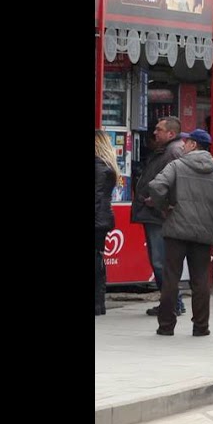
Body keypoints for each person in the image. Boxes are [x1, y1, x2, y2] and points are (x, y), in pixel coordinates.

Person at [144, 129, 213, 336]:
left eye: (186, 142)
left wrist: (164, 207)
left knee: (171, 278)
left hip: (176, 230)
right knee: (200, 280)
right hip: (204, 234)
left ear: (194, 145)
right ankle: (201, 326)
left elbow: (156, 187)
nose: (183, 145)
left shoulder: (176, 166)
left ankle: (166, 326)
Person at [131, 116, 185, 316]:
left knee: (160, 261)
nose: (154, 132)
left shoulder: (173, 152)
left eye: (159, 129)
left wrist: (157, 200)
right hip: (155, 213)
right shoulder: (166, 150)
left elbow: (177, 183)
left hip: (159, 214)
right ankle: (172, 302)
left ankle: (172, 304)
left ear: (171, 133)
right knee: (161, 261)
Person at [95, 131, 119, 316]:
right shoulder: (107, 165)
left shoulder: (98, 167)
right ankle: (99, 303)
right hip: (102, 218)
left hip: (97, 218)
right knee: (98, 261)